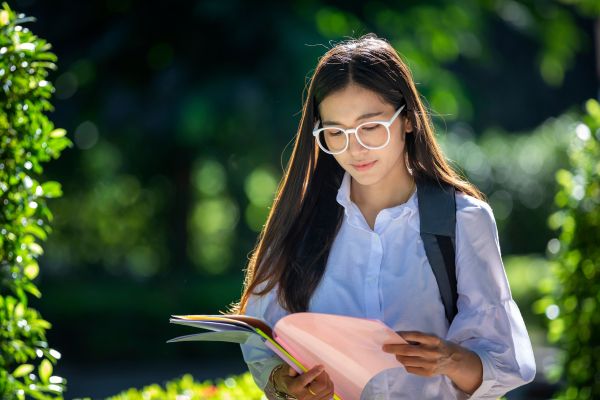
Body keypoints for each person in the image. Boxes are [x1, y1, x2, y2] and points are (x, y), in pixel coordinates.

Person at [228, 33, 537, 400]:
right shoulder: (300, 220)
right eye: (335, 132)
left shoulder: (463, 220)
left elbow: (507, 363)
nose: (354, 147)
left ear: (407, 119)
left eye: (370, 126)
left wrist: (450, 359)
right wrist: (285, 383)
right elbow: (262, 340)